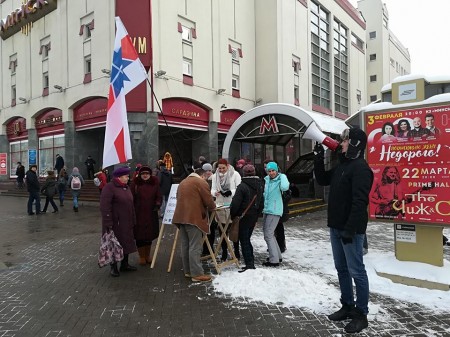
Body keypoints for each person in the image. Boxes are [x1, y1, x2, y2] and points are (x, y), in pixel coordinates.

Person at [313, 127, 373, 334]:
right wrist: (319, 158)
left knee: (357, 271)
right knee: (342, 269)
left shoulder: (361, 169)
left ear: (355, 144)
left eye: (345, 141)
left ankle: (361, 314)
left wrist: (350, 230)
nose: (342, 144)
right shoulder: (343, 166)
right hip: (336, 227)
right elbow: (322, 180)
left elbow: (359, 203)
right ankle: (347, 305)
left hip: (351, 230)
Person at [172, 168, 216, 282]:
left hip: (181, 217)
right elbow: (208, 201)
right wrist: (213, 207)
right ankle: (196, 274)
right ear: (202, 175)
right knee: (195, 246)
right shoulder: (200, 182)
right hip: (193, 218)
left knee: (185, 245)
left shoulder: (183, 182)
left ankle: (188, 271)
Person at [100, 166, 137, 277]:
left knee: (126, 243)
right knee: (114, 244)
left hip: (127, 222)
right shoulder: (109, 188)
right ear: (119, 177)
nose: (128, 178)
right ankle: (114, 267)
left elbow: (131, 204)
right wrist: (108, 222)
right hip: (115, 223)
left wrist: (133, 218)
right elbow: (104, 206)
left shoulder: (126, 187)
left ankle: (124, 264)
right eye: (126, 176)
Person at [230, 164, 264, 272]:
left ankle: (250, 264)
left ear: (243, 173)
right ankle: (250, 261)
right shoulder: (259, 185)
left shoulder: (242, 186)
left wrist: (233, 215)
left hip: (243, 218)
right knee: (247, 240)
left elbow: (235, 204)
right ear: (254, 173)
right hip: (253, 217)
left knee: (244, 241)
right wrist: (257, 215)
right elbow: (261, 203)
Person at [211, 158, 242, 261]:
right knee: (222, 229)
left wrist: (230, 192)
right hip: (220, 204)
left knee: (234, 229)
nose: (221, 170)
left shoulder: (235, 174)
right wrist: (214, 193)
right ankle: (224, 251)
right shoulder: (215, 176)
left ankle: (236, 251)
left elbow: (239, 188)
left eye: (223, 168)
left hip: (232, 204)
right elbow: (212, 189)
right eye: (219, 168)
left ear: (227, 166)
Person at [130, 165, 162, 265]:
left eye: (147, 174)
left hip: (151, 213)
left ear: (150, 174)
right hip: (138, 213)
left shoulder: (154, 183)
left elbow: (159, 195)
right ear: (140, 175)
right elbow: (131, 198)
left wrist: (157, 204)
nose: (145, 175)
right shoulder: (135, 183)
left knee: (149, 235)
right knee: (139, 235)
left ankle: (148, 256)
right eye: (143, 174)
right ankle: (142, 256)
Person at [262, 161, 289, 267]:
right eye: (269, 171)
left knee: (268, 234)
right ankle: (277, 256)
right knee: (269, 234)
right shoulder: (267, 180)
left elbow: (284, 187)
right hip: (267, 209)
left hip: (275, 210)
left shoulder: (281, 178)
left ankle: (274, 260)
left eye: (273, 170)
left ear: (277, 170)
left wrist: (282, 176)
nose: (271, 173)